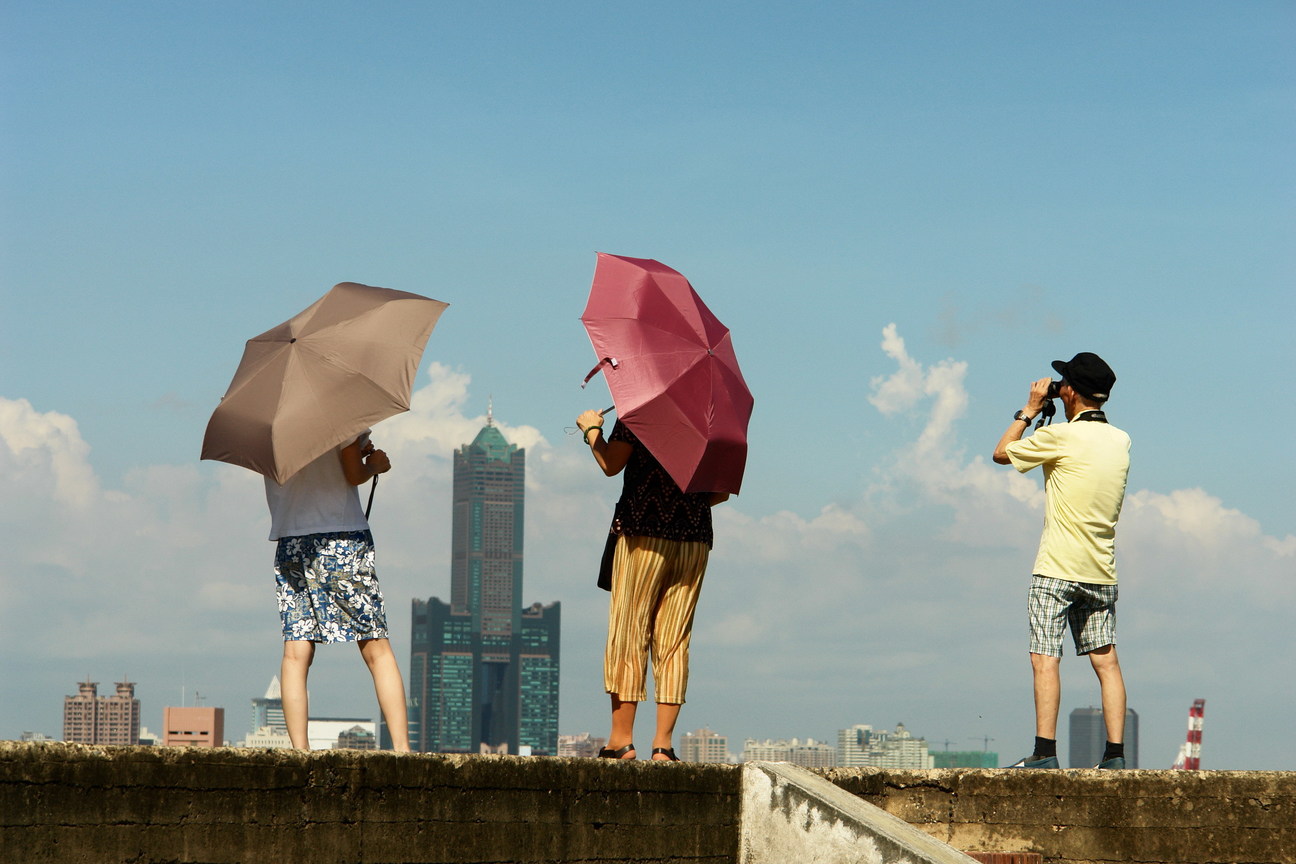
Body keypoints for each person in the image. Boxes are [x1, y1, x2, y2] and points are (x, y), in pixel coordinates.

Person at [993, 352, 1131, 770]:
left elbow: (1002, 453)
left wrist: (1029, 410)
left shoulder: (1061, 437)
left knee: (1045, 657)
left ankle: (1045, 753)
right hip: (1101, 570)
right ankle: (1115, 756)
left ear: (1069, 391)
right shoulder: (1121, 440)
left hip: (1056, 568)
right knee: (1106, 661)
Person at [575, 409, 729, 762]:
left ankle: (621, 740)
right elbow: (719, 493)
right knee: (674, 640)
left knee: (629, 631)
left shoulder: (641, 408)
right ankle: (663, 745)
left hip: (643, 531)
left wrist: (592, 430)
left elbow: (611, 463)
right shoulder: (713, 418)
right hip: (694, 536)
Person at [264, 432, 411, 752]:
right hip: (341, 539)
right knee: (376, 646)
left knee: (295, 651)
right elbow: (353, 474)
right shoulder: (340, 420)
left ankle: (300, 752)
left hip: (291, 541)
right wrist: (374, 465)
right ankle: (402, 751)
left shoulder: (269, 428)